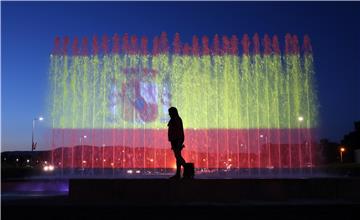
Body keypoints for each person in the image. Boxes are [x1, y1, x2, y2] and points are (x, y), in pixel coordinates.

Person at [167, 107, 186, 179]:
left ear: (173, 112)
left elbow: (179, 131)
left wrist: (179, 142)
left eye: (170, 112)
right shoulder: (175, 119)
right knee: (177, 157)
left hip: (176, 140)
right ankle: (178, 174)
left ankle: (187, 170)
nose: (169, 114)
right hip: (175, 140)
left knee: (178, 156)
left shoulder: (176, 119)